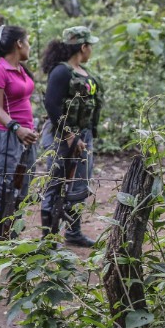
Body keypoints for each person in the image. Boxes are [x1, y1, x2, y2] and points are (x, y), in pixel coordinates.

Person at [0, 24, 40, 251]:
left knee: (22, 189)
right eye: (28, 41)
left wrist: (30, 128)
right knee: (4, 190)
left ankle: (9, 240)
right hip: (6, 136)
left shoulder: (21, 69)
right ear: (19, 44)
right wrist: (16, 128)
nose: (29, 46)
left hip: (26, 137)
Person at [38, 26, 101, 247]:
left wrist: (88, 135)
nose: (91, 49)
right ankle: (49, 237)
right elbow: (52, 106)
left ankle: (74, 232)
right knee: (56, 183)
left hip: (83, 136)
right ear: (83, 47)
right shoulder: (61, 72)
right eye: (90, 45)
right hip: (61, 135)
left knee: (79, 185)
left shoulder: (84, 72)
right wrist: (69, 137)